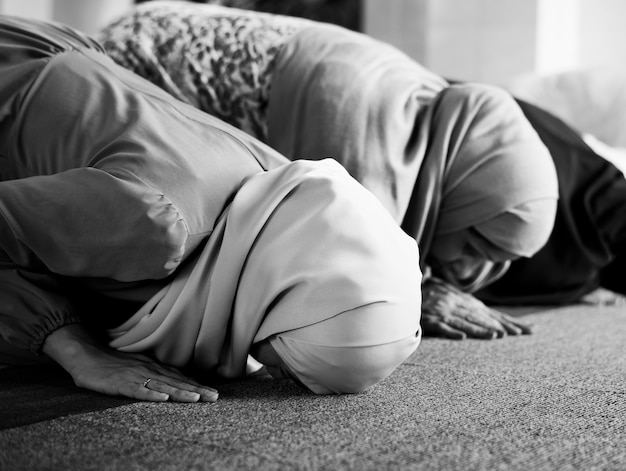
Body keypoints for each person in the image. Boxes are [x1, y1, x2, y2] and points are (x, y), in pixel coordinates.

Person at [0, 15, 424, 401]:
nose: (271, 377)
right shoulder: (156, 224)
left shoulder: (285, 204)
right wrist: (74, 348)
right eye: (290, 370)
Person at [99, 1, 562, 340]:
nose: (473, 268)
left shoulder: (426, 120)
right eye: (478, 243)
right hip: (115, 66)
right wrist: (419, 295)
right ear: (464, 189)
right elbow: (335, 277)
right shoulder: (364, 128)